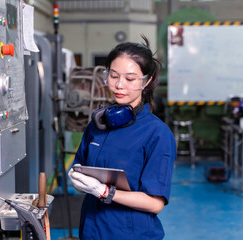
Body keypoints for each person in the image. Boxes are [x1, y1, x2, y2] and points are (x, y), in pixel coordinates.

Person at [68, 35, 176, 240]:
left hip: (130, 234)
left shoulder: (157, 134)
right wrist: (78, 180)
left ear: (147, 81)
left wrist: (105, 192)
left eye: (130, 79)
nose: (119, 85)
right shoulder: (97, 124)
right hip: (91, 230)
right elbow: (79, 171)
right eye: (114, 76)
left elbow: (155, 203)